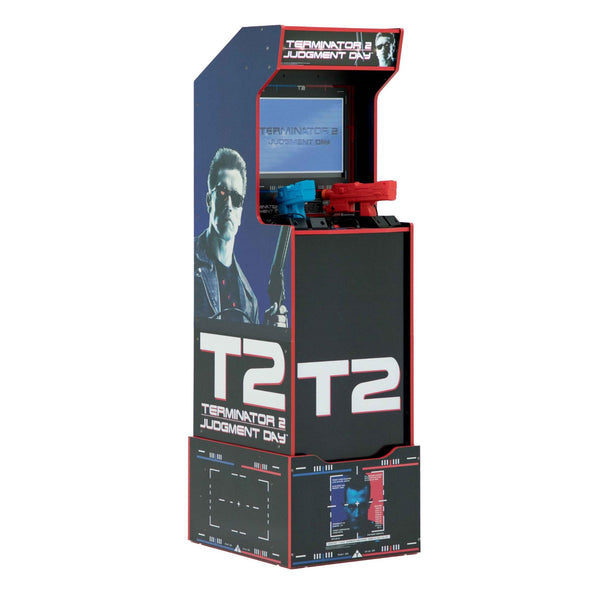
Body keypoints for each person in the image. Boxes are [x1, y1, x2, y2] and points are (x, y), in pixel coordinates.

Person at [194, 147, 287, 326]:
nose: (229, 205)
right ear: (209, 200)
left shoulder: (249, 300)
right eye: (222, 193)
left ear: (241, 211)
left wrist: (267, 333)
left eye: (236, 199)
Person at [342, 472, 380, 537]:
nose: (357, 515)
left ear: (369, 504)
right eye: (352, 507)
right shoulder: (332, 534)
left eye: (362, 506)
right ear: (344, 506)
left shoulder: (380, 530)